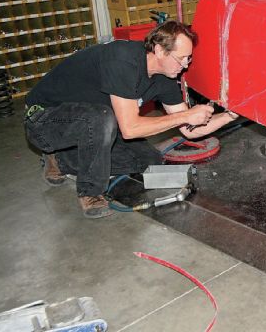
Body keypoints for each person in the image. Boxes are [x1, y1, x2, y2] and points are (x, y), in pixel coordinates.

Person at [24, 20, 237, 218]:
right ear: (160, 50)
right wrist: (186, 114)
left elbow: (191, 129)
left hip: (92, 124)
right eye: (181, 58)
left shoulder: (165, 80)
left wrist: (231, 114)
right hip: (44, 119)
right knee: (102, 117)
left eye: (189, 58)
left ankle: (61, 160)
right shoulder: (122, 58)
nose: (186, 64)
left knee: (149, 160)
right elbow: (130, 128)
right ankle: (90, 192)